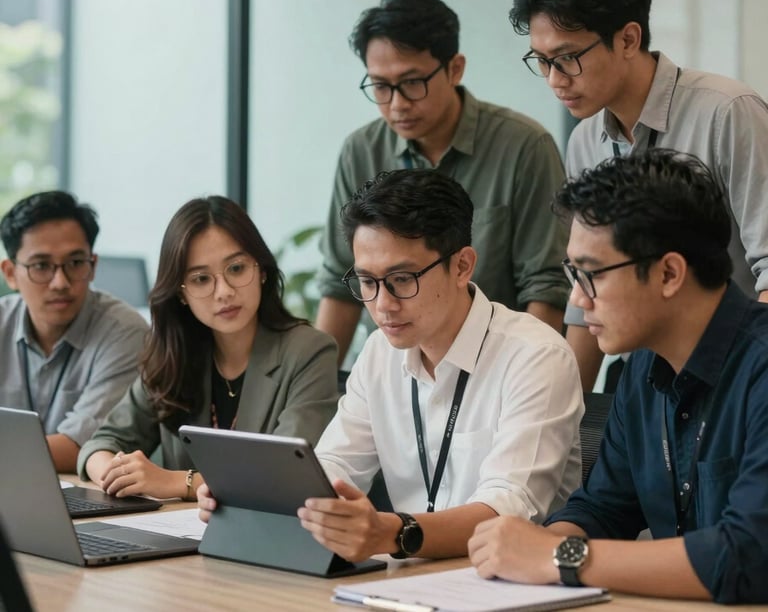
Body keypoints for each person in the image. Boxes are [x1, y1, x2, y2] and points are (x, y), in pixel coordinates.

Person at [200, 170, 583, 561]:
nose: (382, 305)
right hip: (409, 577)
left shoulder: (535, 357)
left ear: (462, 266)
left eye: (402, 279)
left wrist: (393, 532)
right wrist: (253, 494)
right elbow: (334, 466)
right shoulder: (380, 352)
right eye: (367, 281)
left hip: (512, 584)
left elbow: (507, 508)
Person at [468, 149, 768, 604]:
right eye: (572, 273)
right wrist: (530, 548)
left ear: (669, 273)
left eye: (590, 275)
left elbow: (746, 556)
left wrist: (560, 558)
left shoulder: (761, 367)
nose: (577, 298)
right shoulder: (643, 365)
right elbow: (604, 508)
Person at [509, 0, 768, 390]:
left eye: (568, 57)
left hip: (738, 374)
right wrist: (564, 416)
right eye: (543, 61)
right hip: (647, 382)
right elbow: (585, 294)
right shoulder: (587, 140)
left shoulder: (728, 112)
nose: (554, 79)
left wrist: (750, 389)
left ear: (628, 39)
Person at [316, 0, 570, 362]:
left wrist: (525, 376)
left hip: (494, 367)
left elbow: (546, 289)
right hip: (393, 370)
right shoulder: (361, 150)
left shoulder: (524, 147)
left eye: (413, 82)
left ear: (455, 68)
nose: (398, 104)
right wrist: (319, 391)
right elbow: (340, 281)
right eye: (381, 87)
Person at [77, 196, 338, 501]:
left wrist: (179, 483)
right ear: (181, 294)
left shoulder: (309, 352)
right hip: (178, 537)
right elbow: (99, 446)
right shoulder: (175, 355)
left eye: (237, 268)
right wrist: (119, 474)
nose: (224, 292)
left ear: (262, 271)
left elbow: (285, 474)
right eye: (201, 279)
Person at [0, 191, 147, 473]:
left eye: (75, 263)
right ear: (9, 273)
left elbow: (82, 446)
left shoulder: (124, 332)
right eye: (41, 266)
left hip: (84, 499)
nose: (60, 282)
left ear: (93, 266)